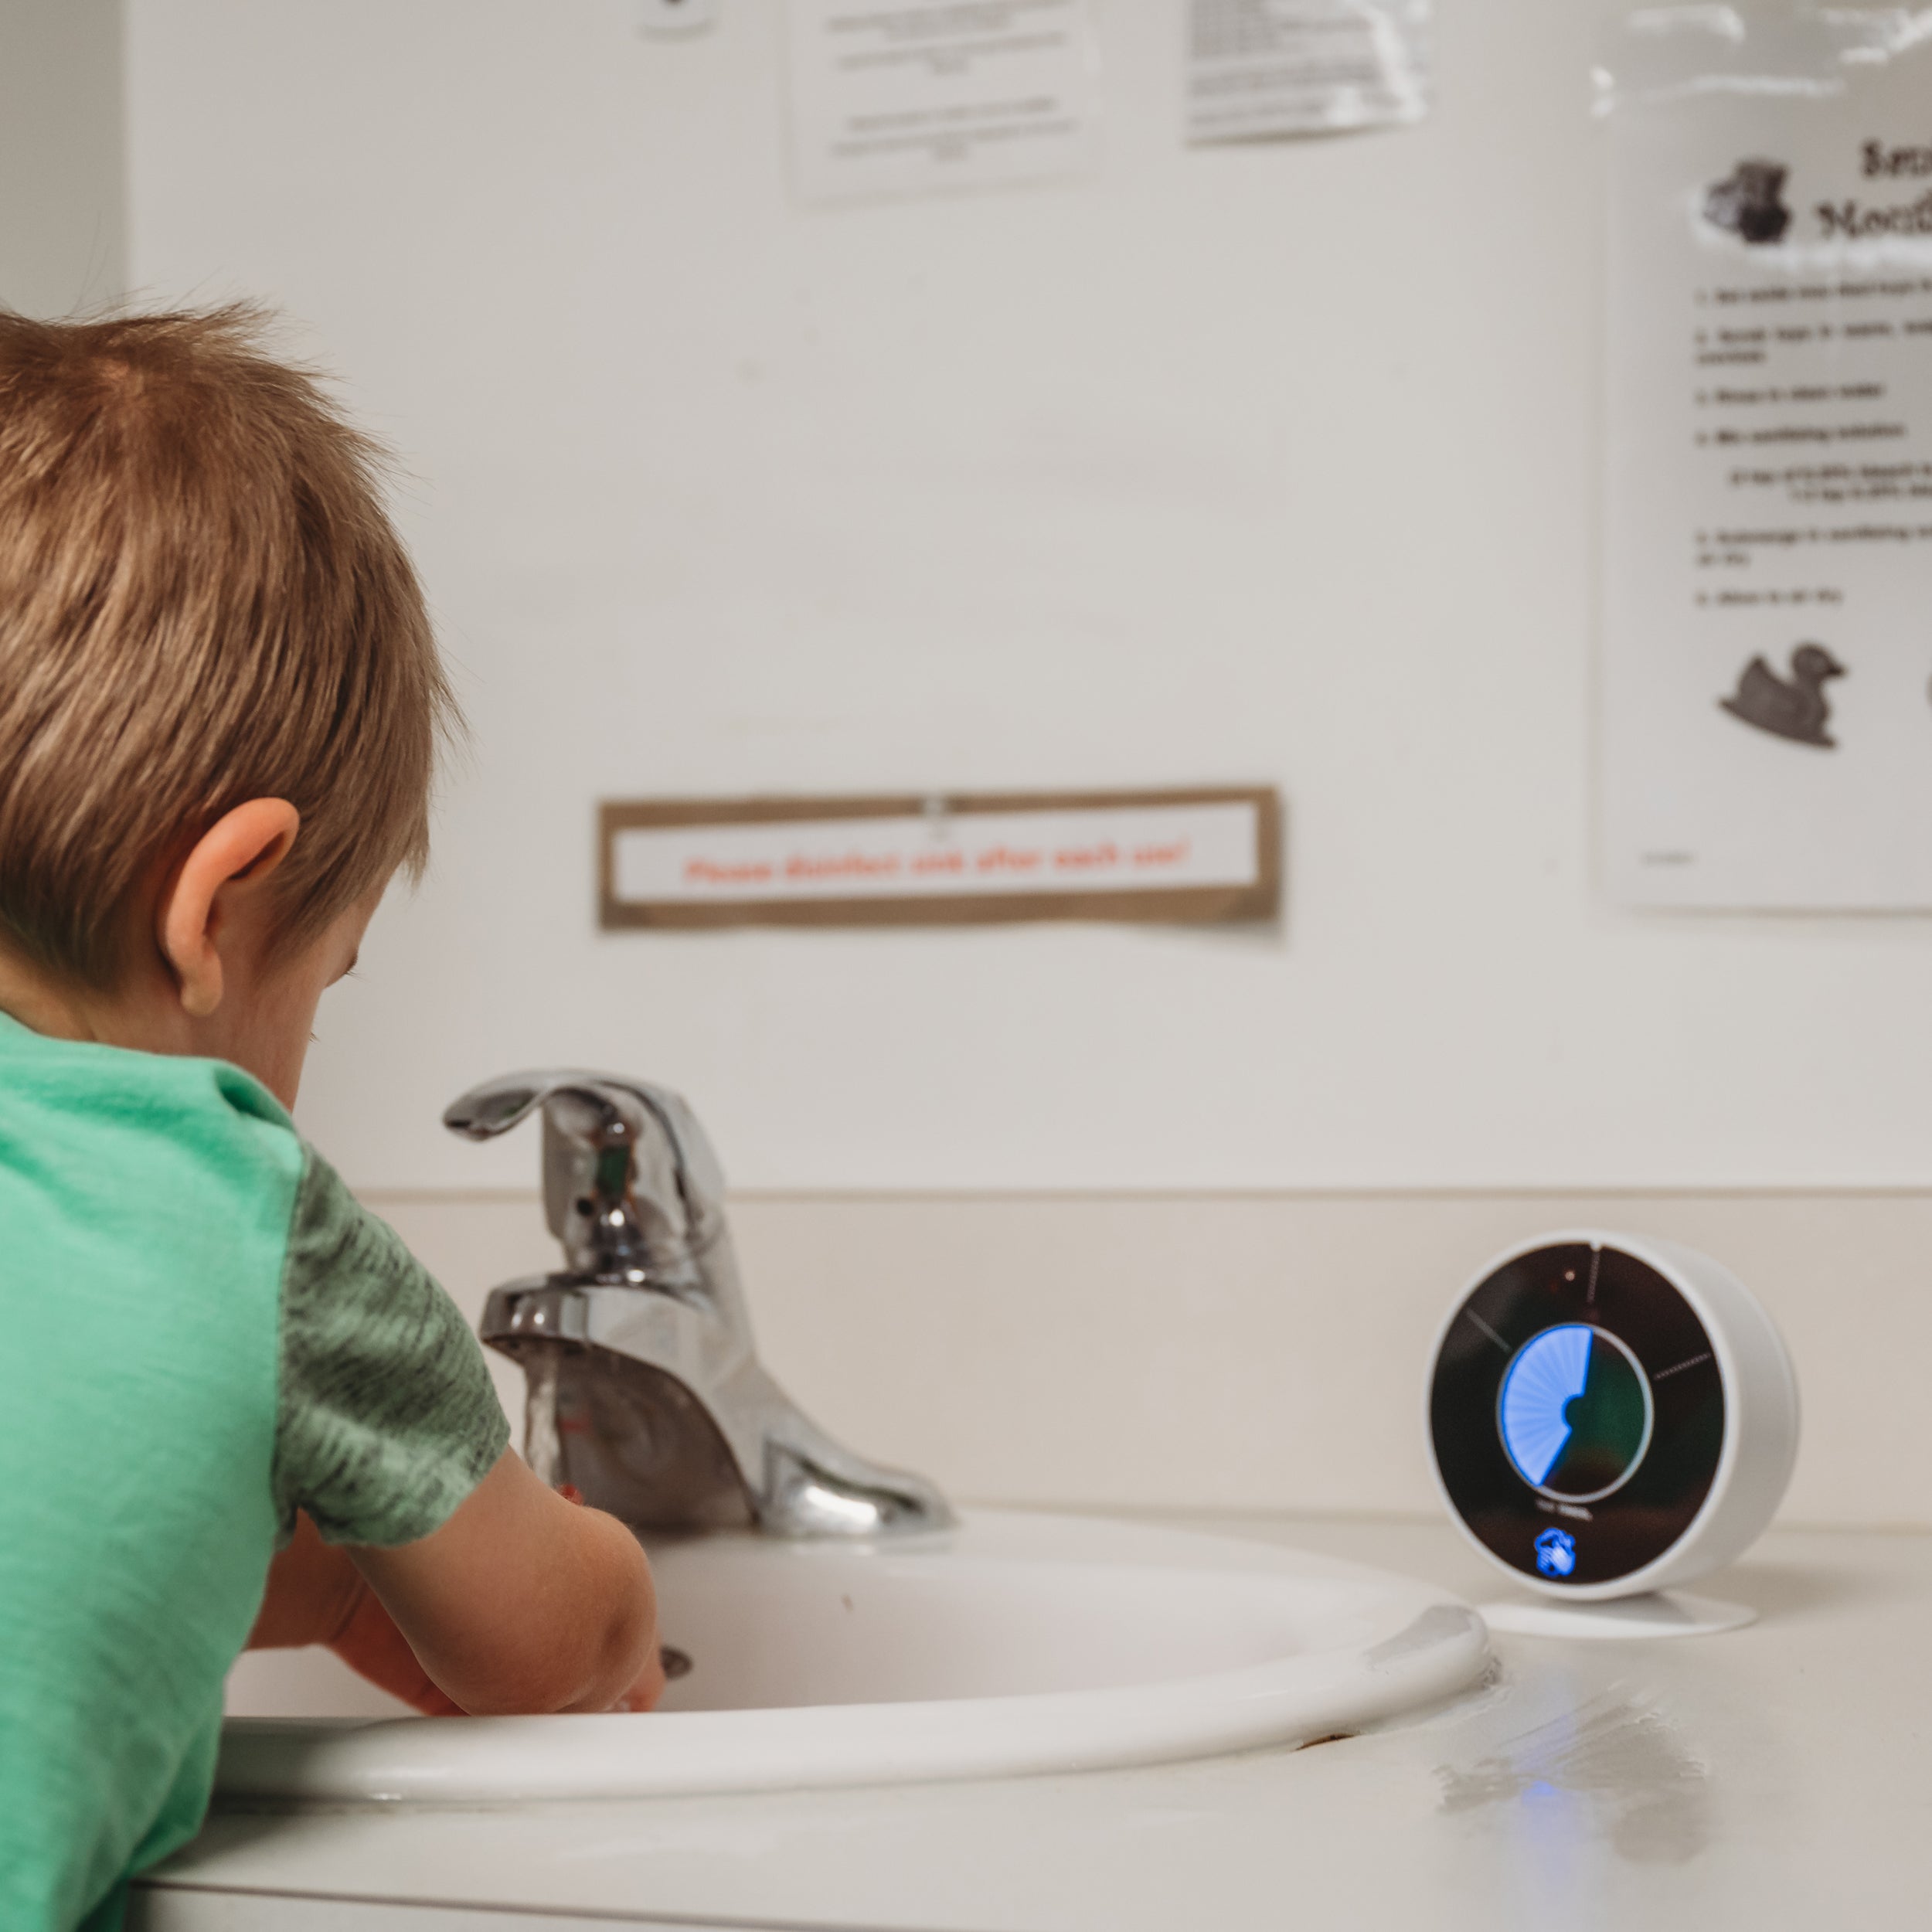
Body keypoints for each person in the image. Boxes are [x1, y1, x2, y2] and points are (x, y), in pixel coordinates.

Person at [0, 306, 665, 1932]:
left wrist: (269, 1567)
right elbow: (541, 1650)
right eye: (330, 972)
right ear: (219, 906)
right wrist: (616, 1585)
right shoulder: (235, 1201)